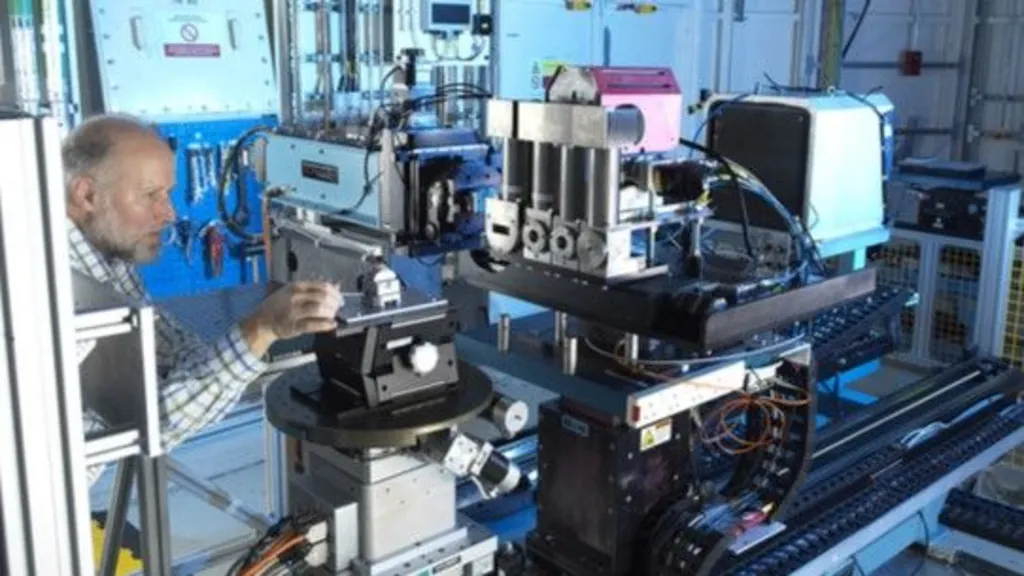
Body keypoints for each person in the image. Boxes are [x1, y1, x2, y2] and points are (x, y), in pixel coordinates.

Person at [64, 113, 342, 484]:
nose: (170, 213)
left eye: (167, 193)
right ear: (87, 195)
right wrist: (261, 328)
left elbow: (169, 347)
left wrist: (247, 338)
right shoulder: (47, 292)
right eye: (151, 195)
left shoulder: (105, 258)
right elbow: (149, 424)